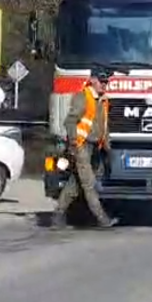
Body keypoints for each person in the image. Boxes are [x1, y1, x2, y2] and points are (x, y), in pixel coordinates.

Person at [50, 69, 119, 230]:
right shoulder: (83, 96)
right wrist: (75, 144)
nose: (104, 85)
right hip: (81, 146)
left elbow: (104, 126)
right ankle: (102, 219)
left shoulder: (102, 100)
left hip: (94, 147)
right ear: (93, 80)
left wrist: (108, 149)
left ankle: (57, 216)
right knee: (89, 184)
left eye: (106, 82)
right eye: (102, 81)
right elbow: (69, 122)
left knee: (75, 185)